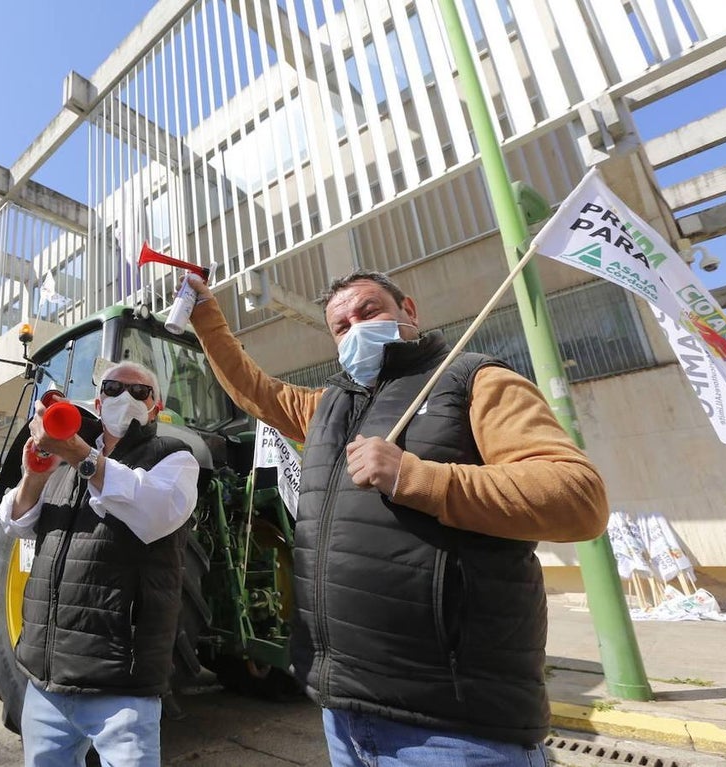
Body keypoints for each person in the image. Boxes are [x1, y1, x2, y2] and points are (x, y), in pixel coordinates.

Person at [185, 271, 609, 766]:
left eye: (369, 312)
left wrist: (414, 476)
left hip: (453, 725)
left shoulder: (475, 380)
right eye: (342, 325)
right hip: (342, 712)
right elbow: (253, 388)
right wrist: (204, 315)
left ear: (409, 309)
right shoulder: (328, 406)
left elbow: (577, 498)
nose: (356, 328)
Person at [0, 361, 200, 767]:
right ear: (97, 399)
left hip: (120, 683)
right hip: (46, 680)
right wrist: (35, 474)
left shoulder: (173, 457)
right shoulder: (62, 460)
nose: (125, 397)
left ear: (156, 407)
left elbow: (153, 511)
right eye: (113, 388)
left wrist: (77, 453)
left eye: (139, 391)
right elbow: (15, 523)